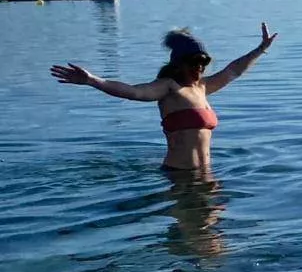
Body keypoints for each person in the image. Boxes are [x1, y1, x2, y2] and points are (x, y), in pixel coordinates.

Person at [51, 24, 277, 171]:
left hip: (206, 175)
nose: (200, 67)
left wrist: (260, 49)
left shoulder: (202, 87)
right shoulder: (168, 87)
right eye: (194, 62)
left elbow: (233, 70)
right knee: (195, 230)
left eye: (204, 61)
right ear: (179, 63)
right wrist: (92, 80)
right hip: (179, 175)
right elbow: (133, 92)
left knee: (211, 230)